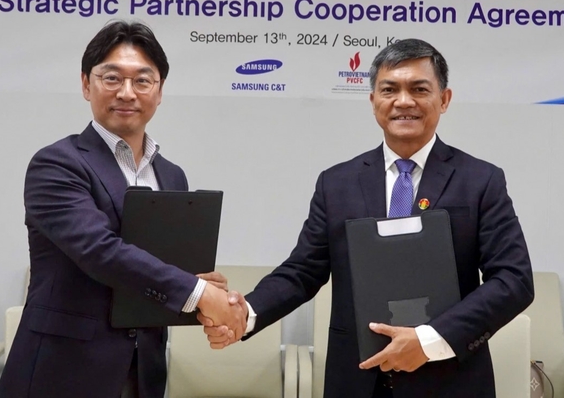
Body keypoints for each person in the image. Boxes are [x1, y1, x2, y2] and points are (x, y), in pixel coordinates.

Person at [200, 39, 534, 398]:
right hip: (357, 381)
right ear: (374, 101)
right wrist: (245, 312)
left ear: (444, 99)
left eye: (419, 89)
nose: (403, 101)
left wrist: (428, 340)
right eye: (389, 89)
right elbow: (302, 271)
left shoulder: (480, 181)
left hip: (449, 380)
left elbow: (513, 280)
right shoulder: (337, 184)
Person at [0, 20, 247, 398]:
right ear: (86, 84)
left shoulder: (172, 176)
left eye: (142, 81)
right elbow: (100, 251)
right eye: (111, 78)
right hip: (62, 370)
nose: (127, 93)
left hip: (142, 372)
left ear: (159, 91)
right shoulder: (56, 164)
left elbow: (165, 275)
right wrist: (199, 294)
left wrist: (211, 299)